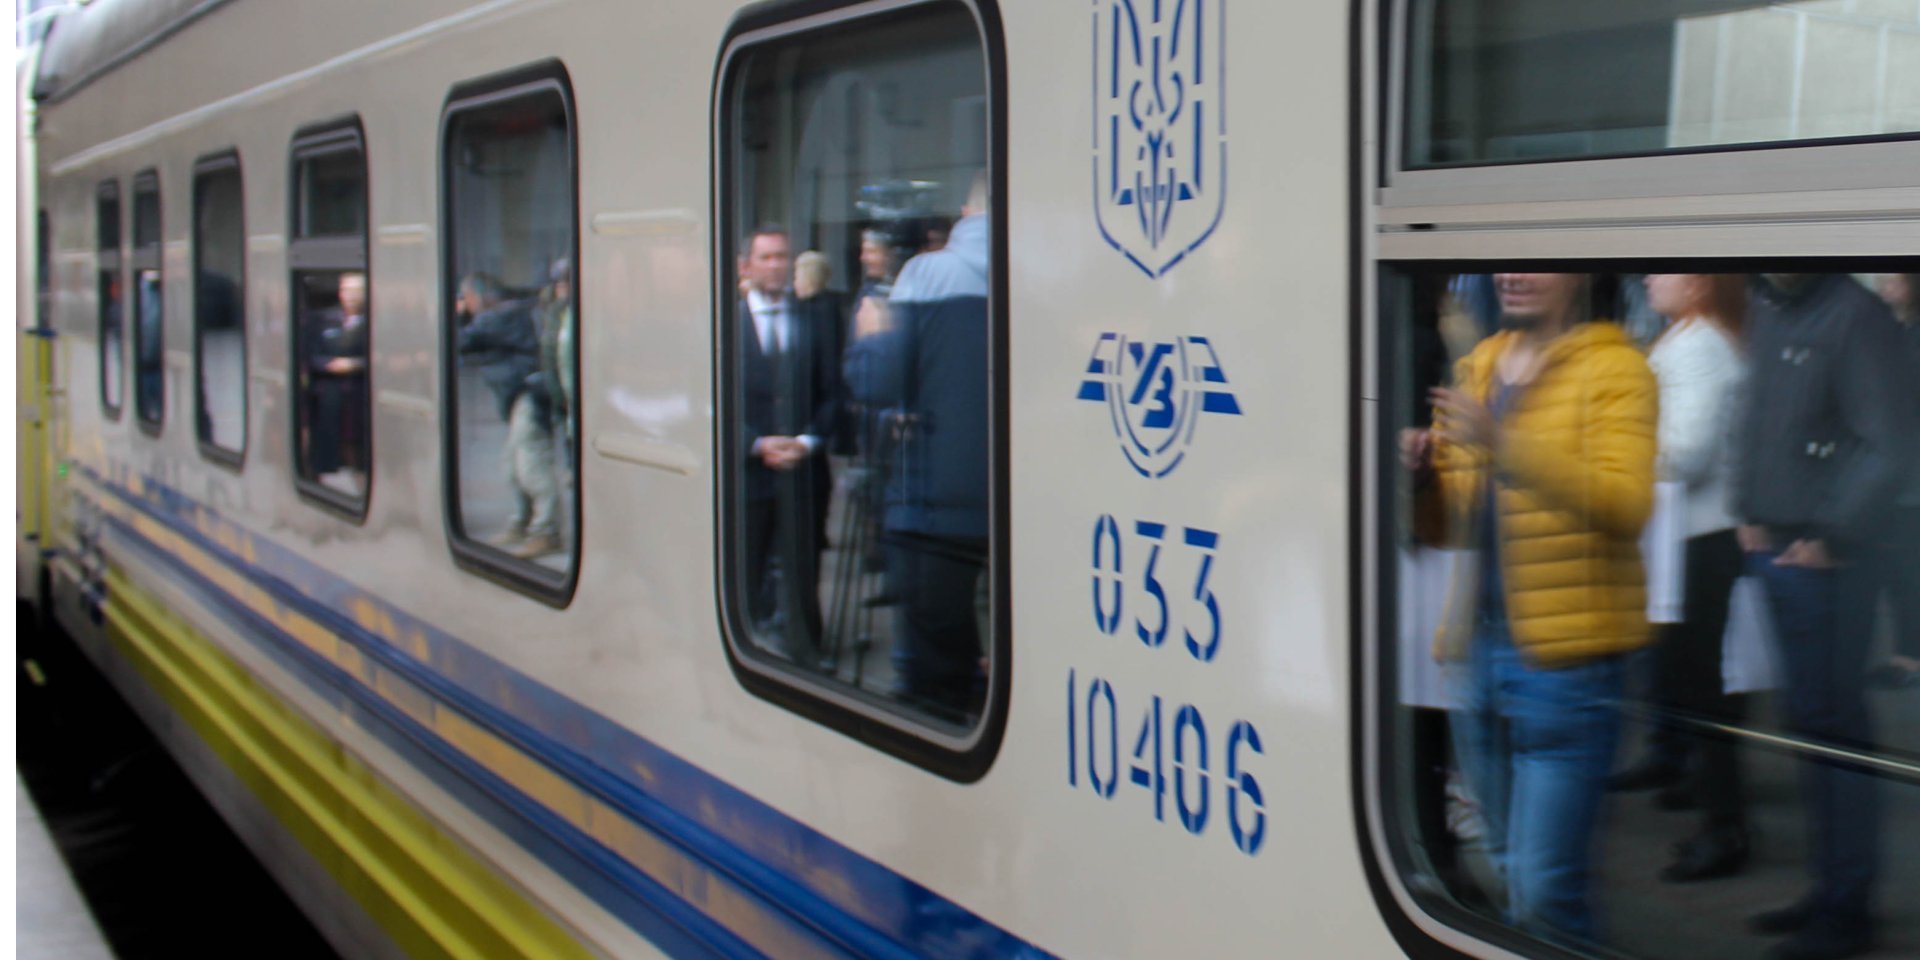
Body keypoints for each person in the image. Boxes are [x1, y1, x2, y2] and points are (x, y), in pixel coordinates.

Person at [1401, 272, 1656, 943]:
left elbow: (1626, 506)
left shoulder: (1617, 368)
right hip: (1475, 652)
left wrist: (1502, 443)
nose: (1512, 275)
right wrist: (1421, 478)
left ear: (1580, 274)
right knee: (1512, 873)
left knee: (1544, 891)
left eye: (1536, 262)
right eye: (1507, 261)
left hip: (1568, 665)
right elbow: (1447, 528)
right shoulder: (1477, 366)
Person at [1734, 273, 1916, 960]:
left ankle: (1847, 908)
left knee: (1837, 733)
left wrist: (1832, 537)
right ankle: (1830, 888)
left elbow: (1887, 445)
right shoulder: (1773, 305)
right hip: (1779, 547)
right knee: (1812, 728)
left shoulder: (1854, 314)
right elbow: (1757, 415)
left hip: (1825, 560)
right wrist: (1748, 505)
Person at [1608, 274, 1753, 882]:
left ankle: (1724, 827)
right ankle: (1693, 781)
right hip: (1685, 538)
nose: (1649, 278)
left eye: (1665, 271)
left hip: (1700, 539)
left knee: (1702, 683)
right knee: (1687, 676)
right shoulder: (1687, 339)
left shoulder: (1699, 348)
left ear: (1697, 286)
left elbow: (1687, 452)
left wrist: (1616, 446)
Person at [844, 174, 991, 718]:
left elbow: (877, 384)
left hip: (934, 505)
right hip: (1014, 499)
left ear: (966, 211)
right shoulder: (1044, 275)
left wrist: (873, 332)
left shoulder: (926, 275)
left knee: (933, 668)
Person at [738, 227, 841, 657]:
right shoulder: (724, 323)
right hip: (747, 476)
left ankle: (806, 656)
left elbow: (834, 391)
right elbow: (706, 401)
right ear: (746, 266)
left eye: (782, 257)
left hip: (804, 473)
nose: (776, 265)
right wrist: (754, 444)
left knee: (803, 574)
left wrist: (807, 441)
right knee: (746, 571)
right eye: (766, 258)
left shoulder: (815, 318)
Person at [456, 272, 560, 559]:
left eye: (467, 299)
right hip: (520, 395)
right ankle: (524, 522)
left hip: (529, 395)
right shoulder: (511, 313)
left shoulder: (500, 316)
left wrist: (459, 315)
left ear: (476, 297)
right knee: (513, 465)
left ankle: (546, 530)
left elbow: (461, 341)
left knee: (531, 464)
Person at [1865, 273, 1920, 690]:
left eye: (1893, 281)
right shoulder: (1895, 332)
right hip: (1896, 476)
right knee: (1900, 569)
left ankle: (1910, 659)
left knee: (1908, 572)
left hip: (1910, 477)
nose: (1884, 290)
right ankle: (1905, 655)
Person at [304, 271, 369, 485]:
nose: (350, 296)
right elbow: (309, 353)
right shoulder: (324, 320)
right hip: (328, 395)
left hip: (359, 397)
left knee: (358, 452)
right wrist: (327, 364)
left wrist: (358, 364)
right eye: (346, 290)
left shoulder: (374, 322)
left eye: (356, 291)